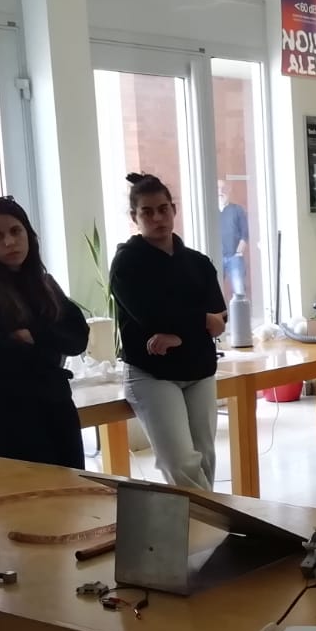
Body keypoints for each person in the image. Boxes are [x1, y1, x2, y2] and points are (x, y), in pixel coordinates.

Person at [0, 197, 90, 468]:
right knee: (40, 484)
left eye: (16, 231)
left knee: (75, 480)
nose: (10, 242)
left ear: (28, 234)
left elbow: (77, 338)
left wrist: (33, 335)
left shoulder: (42, 282)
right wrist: (48, 345)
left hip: (50, 394)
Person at [109, 172, 227, 491]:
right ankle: (212, 517)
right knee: (180, 462)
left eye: (163, 209)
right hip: (152, 373)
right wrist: (198, 324)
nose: (158, 218)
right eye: (147, 212)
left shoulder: (198, 262)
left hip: (199, 369)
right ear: (135, 217)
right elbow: (151, 316)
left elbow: (219, 318)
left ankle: (202, 520)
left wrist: (180, 334)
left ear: (173, 209)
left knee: (205, 457)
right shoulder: (127, 263)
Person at [218, 180, 249, 300]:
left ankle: (240, 313)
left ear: (229, 190)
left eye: (223, 188)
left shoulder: (237, 210)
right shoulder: (210, 211)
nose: (220, 191)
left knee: (239, 292)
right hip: (215, 258)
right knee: (213, 293)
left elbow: (245, 233)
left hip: (234, 258)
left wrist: (238, 253)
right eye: (218, 188)